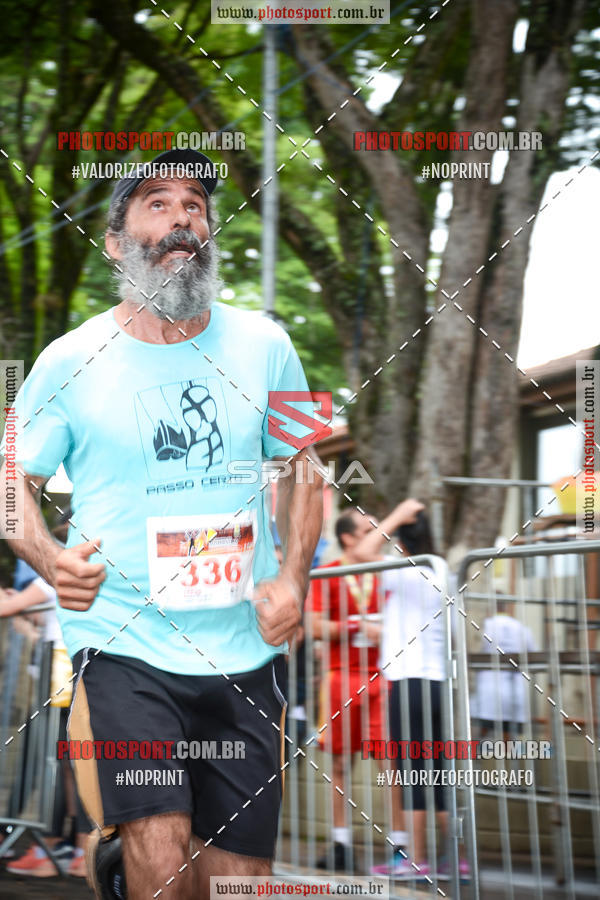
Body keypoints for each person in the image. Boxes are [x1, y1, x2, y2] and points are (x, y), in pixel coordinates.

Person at [0, 148, 323, 900]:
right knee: (160, 843)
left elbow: (309, 466)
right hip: (123, 646)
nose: (182, 215)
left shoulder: (269, 343)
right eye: (156, 202)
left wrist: (293, 578)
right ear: (115, 243)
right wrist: (49, 560)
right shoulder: (67, 358)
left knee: (238, 879)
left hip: (244, 650)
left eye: (195, 205)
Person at [354, 504, 469, 882]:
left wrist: (396, 515)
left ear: (401, 541)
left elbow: (362, 552)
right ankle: (458, 860)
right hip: (438, 684)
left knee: (413, 771)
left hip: (408, 683)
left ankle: (416, 861)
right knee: (437, 773)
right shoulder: (443, 573)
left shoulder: (403, 570)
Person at [306, 505, 419, 872]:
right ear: (348, 538)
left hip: (382, 678)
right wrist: (356, 625)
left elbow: (405, 623)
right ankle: (340, 844)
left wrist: (383, 630)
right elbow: (316, 627)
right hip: (340, 677)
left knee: (392, 763)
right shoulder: (327, 574)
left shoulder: (387, 572)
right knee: (340, 762)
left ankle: (401, 846)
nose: (378, 536)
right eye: (368, 529)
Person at [473, 600, 537, 739]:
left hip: (488, 690)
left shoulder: (483, 626)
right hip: (515, 690)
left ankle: (472, 758)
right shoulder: (522, 628)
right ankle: (507, 759)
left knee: (478, 736)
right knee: (509, 739)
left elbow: (472, 651)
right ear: (506, 606)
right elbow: (534, 656)